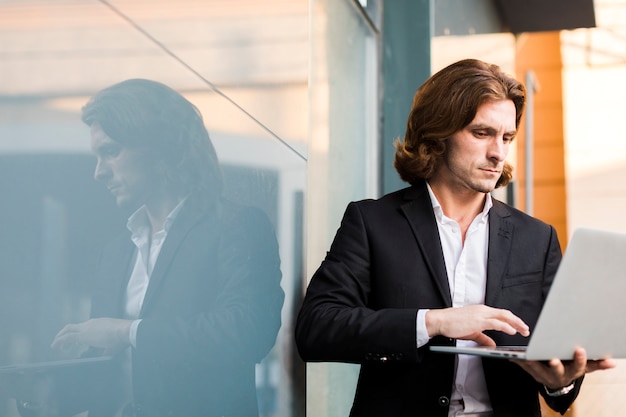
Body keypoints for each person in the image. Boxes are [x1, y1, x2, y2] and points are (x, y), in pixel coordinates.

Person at [295, 59, 615, 417]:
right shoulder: (373, 223)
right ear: (438, 133)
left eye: (507, 137)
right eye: (482, 133)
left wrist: (562, 381)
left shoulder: (537, 238)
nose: (498, 152)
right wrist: (433, 322)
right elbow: (316, 327)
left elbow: (558, 382)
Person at [21, 79, 284, 417]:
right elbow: (111, 371)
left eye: (111, 151)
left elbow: (248, 333)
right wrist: (43, 388)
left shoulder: (237, 226)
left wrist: (125, 331)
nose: (99, 173)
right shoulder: (117, 253)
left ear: (160, 149)